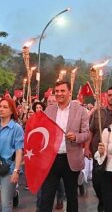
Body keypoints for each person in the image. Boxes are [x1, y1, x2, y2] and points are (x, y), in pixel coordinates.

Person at [39, 80, 89, 212]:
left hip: (70, 159)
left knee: (72, 196)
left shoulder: (81, 110)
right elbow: (42, 132)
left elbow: (86, 134)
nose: (59, 94)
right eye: (57, 91)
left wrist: (76, 137)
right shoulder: (49, 109)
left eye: (62, 91)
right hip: (51, 159)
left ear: (69, 92)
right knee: (46, 197)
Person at [86, 86, 112, 211]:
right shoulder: (98, 112)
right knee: (97, 183)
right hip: (99, 155)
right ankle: (102, 201)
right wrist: (86, 148)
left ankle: (109, 205)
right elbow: (90, 131)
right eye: (109, 95)